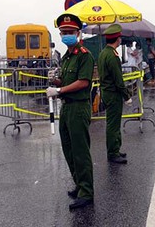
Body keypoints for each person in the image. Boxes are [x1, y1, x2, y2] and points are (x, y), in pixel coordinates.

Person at [46, 13, 94, 210]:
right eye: (63, 32)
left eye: (69, 32)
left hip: (78, 108)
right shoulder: (66, 57)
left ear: (78, 33)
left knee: (80, 151)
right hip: (66, 107)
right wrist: (55, 81)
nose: (66, 35)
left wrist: (59, 90)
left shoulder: (84, 56)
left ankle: (87, 192)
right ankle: (79, 184)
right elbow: (67, 82)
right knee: (68, 149)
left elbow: (83, 82)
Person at [97, 24, 132, 165]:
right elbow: (118, 80)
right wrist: (127, 95)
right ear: (117, 39)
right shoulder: (112, 56)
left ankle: (115, 149)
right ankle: (112, 153)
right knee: (113, 124)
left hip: (107, 92)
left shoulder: (103, 53)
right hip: (113, 94)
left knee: (114, 123)